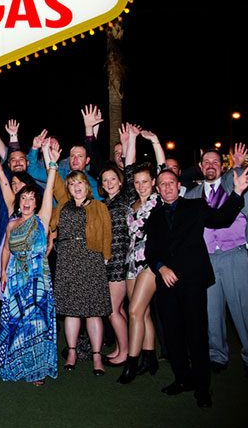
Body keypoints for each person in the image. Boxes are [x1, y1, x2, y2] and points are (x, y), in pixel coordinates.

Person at [145, 166, 248, 408]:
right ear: (158, 189)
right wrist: (161, 267)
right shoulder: (153, 216)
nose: (167, 187)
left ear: (178, 186)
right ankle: (182, 379)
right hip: (166, 285)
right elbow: (150, 251)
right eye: (162, 184)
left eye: (170, 182)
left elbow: (222, 218)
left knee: (196, 336)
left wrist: (237, 192)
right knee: (173, 337)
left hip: (193, 282)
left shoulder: (195, 207)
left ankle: (202, 389)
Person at [184, 112, 248, 378]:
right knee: (212, 313)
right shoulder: (192, 194)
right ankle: (217, 355)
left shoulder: (236, 181)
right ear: (200, 166)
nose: (210, 164)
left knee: (243, 310)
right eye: (205, 161)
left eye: (214, 161)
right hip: (207, 261)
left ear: (221, 165)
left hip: (235, 257)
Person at [0, 141, 59, 386]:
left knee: (36, 323)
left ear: (36, 202)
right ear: (19, 201)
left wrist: (51, 163)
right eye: (24, 197)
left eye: (32, 198)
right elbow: (7, 252)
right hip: (14, 277)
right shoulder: (12, 224)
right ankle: (16, 363)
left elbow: (51, 186)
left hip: (37, 278)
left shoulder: (42, 220)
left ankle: (38, 368)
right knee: (17, 321)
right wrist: (2, 272)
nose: (27, 201)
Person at [118, 125, 168, 383]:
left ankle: (131, 363)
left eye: (145, 182)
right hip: (130, 262)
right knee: (143, 311)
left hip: (150, 260)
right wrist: (131, 142)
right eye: (137, 183)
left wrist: (156, 141)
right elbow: (128, 171)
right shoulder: (131, 202)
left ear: (153, 183)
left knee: (135, 311)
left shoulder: (158, 199)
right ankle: (150, 358)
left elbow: (163, 170)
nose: (140, 186)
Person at [54, 170, 113, 376]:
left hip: (91, 259)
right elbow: (52, 226)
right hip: (67, 260)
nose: (76, 187)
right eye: (72, 184)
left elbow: (107, 233)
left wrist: (105, 258)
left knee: (93, 310)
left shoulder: (99, 206)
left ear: (86, 185)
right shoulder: (62, 205)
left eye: (80, 182)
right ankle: (72, 352)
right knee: (71, 310)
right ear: (68, 189)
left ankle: (97, 355)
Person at [98, 124, 139, 366]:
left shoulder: (125, 197)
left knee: (113, 310)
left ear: (120, 182)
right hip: (108, 262)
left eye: (113, 178)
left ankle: (125, 353)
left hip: (120, 262)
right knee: (118, 310)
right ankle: (121, 347)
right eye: (105, 180)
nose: (110, 182)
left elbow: (132, 170)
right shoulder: (103, 203)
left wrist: (129, 142)